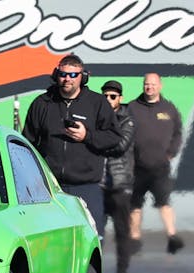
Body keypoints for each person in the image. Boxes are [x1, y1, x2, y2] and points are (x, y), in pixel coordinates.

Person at [22, 54, 121, 239]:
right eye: (63, 74)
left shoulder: (97, 103)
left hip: (86, 187)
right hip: (49, 188)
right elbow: (27, 144)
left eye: (73, 75)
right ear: (56, 75)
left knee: (91, 239)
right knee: (49, 241)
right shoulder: (42, 103)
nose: (67, 79)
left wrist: (87, 136)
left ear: (83, 77)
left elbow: (114, 137)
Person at [128, 72, 184, 254]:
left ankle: (172, 237)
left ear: (160, 86)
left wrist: (171, 152)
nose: (149, 87)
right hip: (137, 167)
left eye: (153, 84)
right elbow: (123, 132)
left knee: (164, 202)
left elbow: (178, 133)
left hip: (160, 168)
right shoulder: (132, 107)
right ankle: (134, 240)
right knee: (135, 205)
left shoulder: (169, 109)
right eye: (147, 84)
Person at [100, 80, 137, 273]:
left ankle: (122, 271)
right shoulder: (96, 117)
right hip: (98, 184)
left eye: (112, 96)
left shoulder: (127, 120)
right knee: (96, 233)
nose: (108, 99)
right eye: (105, 96)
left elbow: (120, 146)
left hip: (120, 185)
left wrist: (93, 140)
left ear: (120, 99)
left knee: (122, 232)